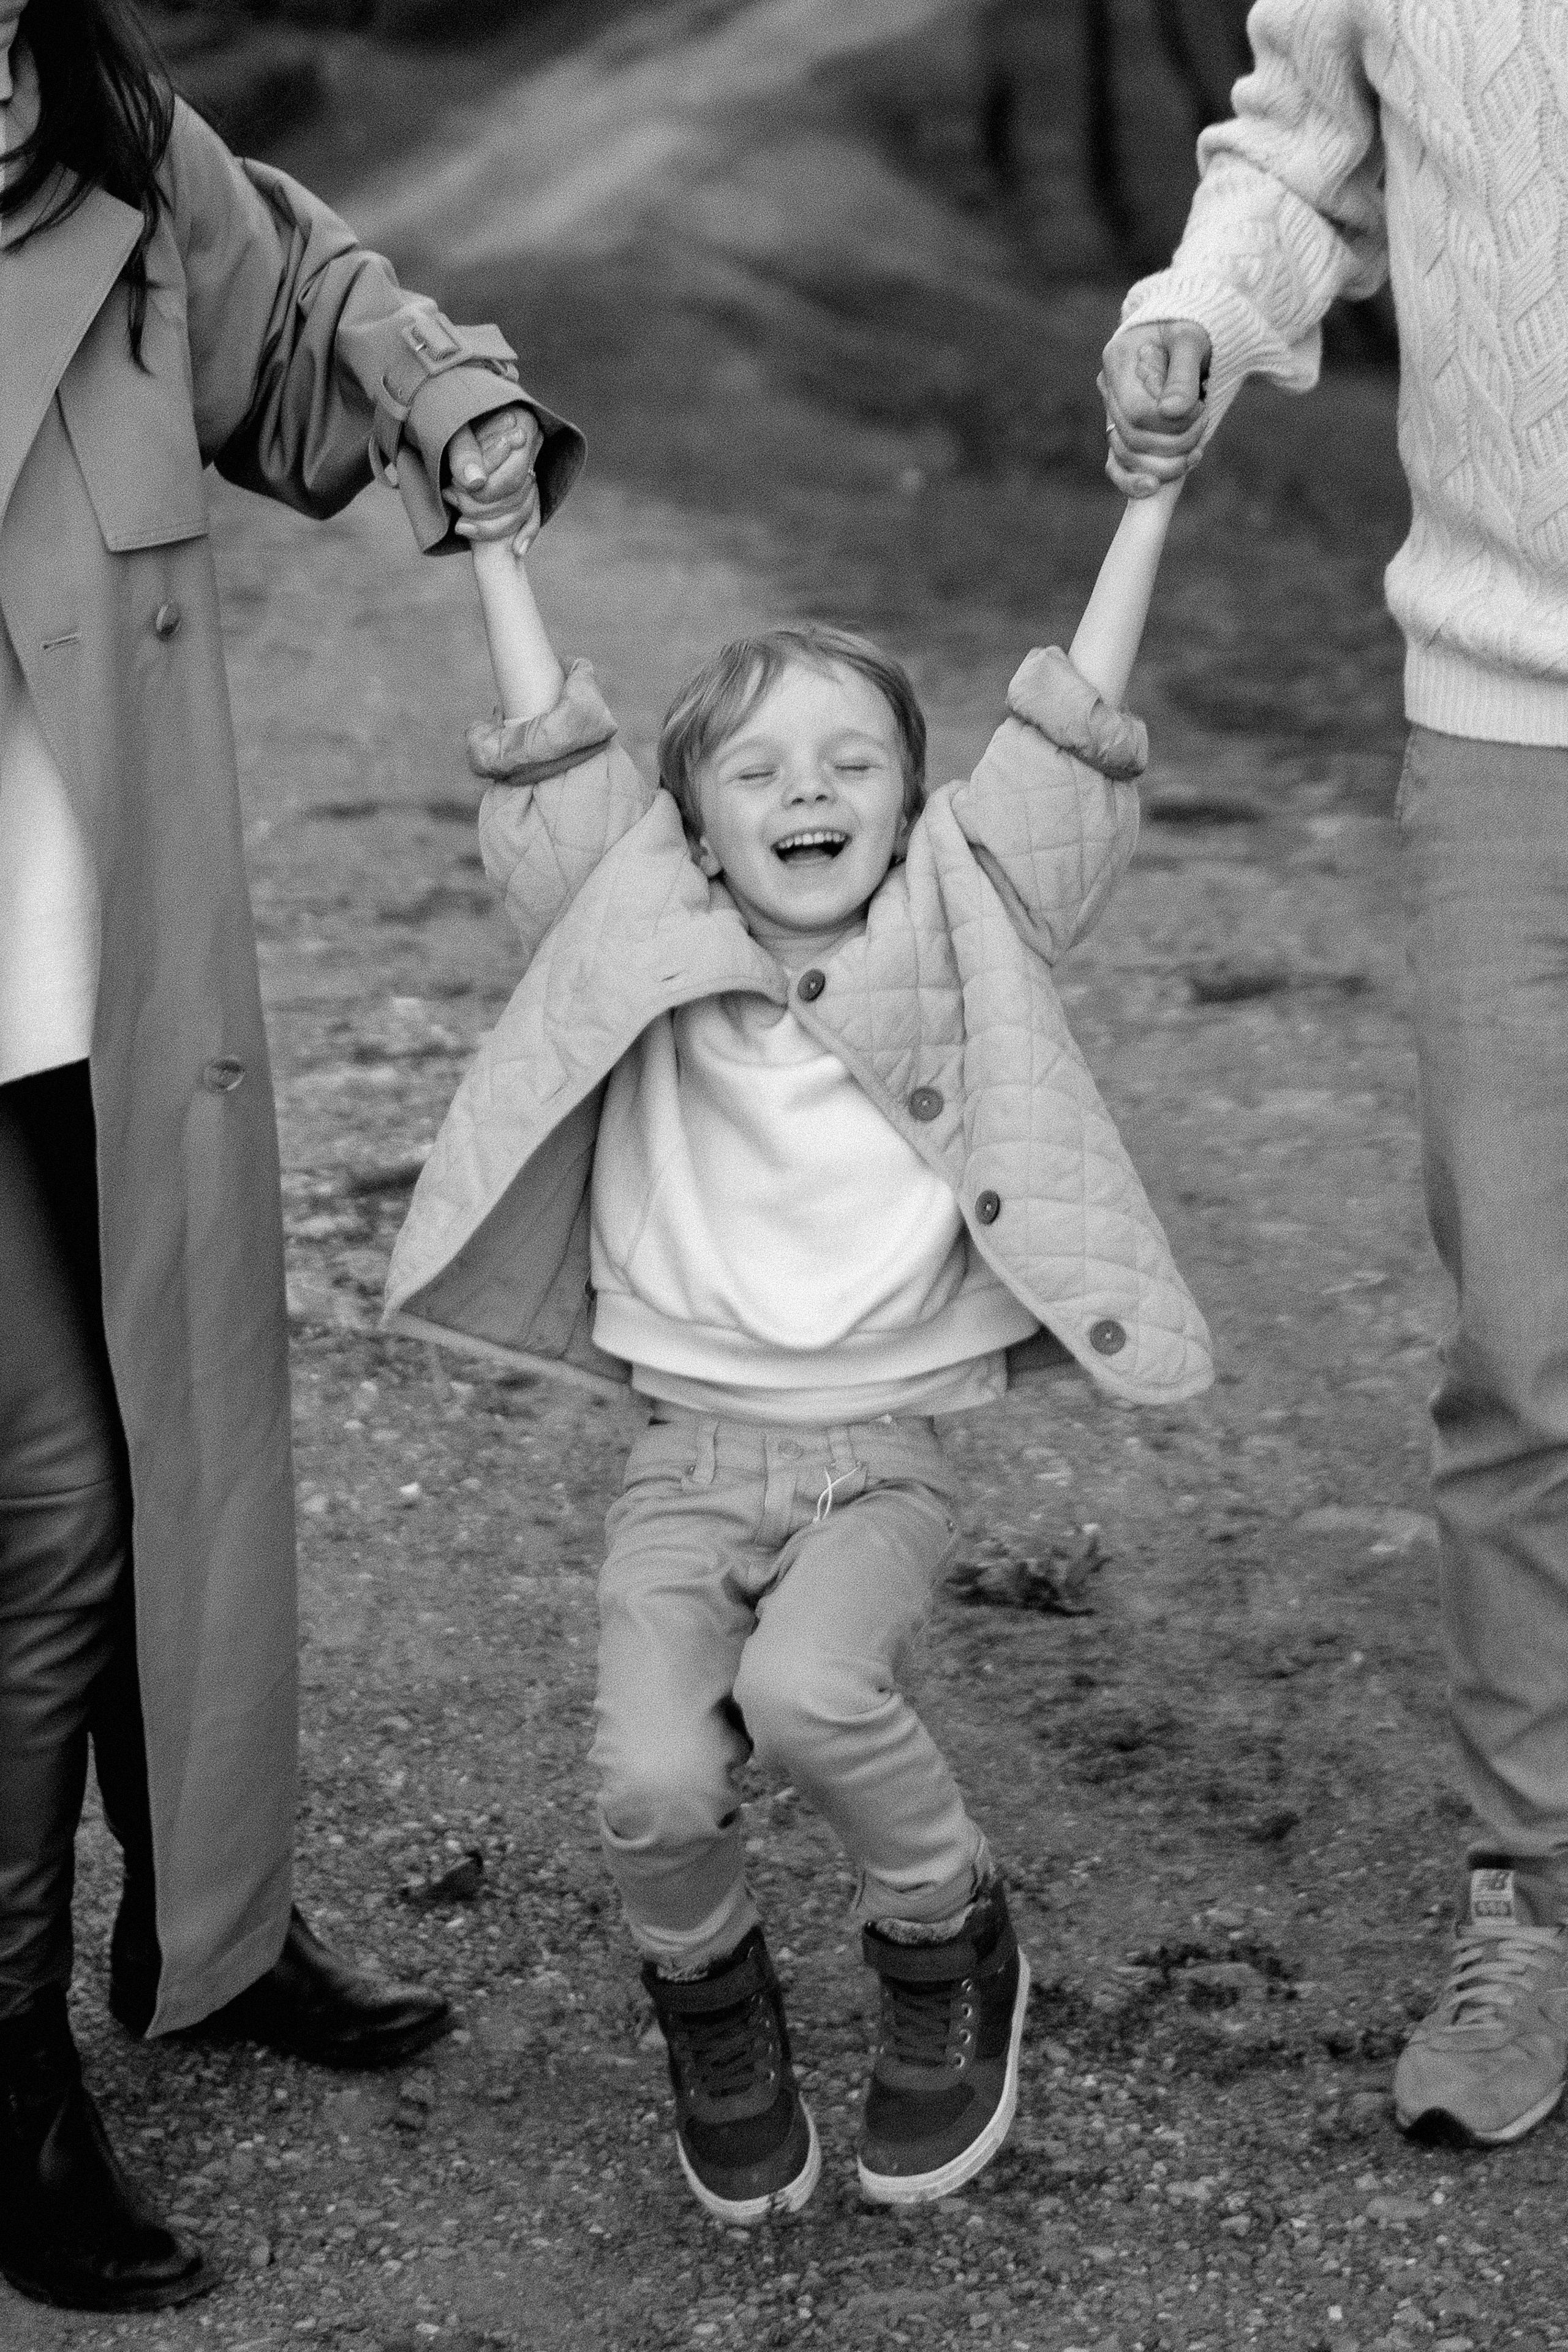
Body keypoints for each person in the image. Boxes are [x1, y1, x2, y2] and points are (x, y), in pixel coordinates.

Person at [382, 432, 1213, 2220]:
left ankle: (948, 1940)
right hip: (685, 1459)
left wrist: (1147, 498)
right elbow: (549, 773)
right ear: (692, 825)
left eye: (854, 761)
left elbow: (1071, 737)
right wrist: (499, 550)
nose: (808, 789)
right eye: (758, 770)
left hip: (878, 1458)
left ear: (911, 804)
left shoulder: (964, 913)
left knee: (812, 1691)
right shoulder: (635, 926)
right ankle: (717, 2011)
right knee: (656, 1777)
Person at [0, 0, 582, 2312]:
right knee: (50, 1510)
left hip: (107, 982)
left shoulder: (135, 194)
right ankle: (8, 2076)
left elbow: (322, 308)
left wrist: (457, 395)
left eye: (11, 26)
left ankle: (211, 1930)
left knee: (184, 1437)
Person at [1098, 0, 1568, 2147]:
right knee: (1527, 1351)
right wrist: (1204, 303)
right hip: (1504, 705)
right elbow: (1301, 158)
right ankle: (1531, 1898)